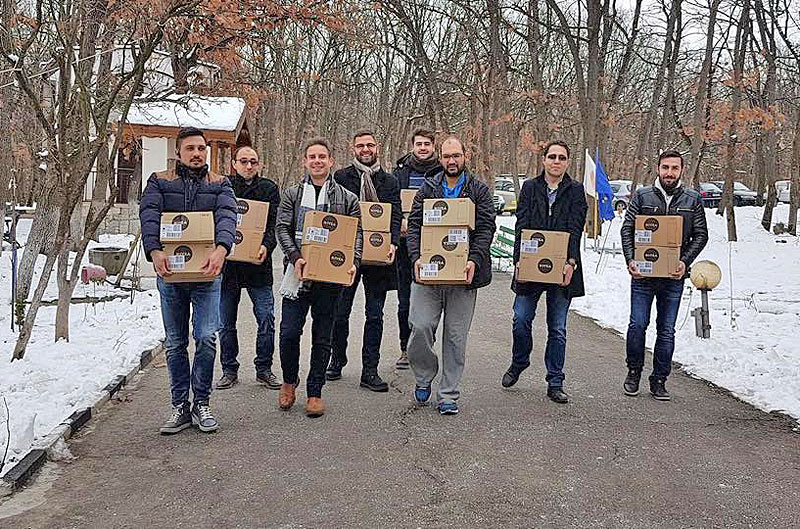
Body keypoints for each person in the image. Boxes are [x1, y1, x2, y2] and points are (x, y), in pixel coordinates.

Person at [140, 127, 237, 434]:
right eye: (190, 148)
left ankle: (202, 403)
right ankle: (180, 406)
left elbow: (227, 217)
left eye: (201, 148)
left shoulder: (220, 183)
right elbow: (149, 215)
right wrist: (154, 251)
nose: (197, 153)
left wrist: (222, 249)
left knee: (207, 337)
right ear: (178, 152)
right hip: (171, 275)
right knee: (175, 343)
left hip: (207, 275)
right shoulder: (159, 181)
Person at [405, 136, 496, 415]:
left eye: (456, 155)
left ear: (465, 156)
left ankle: (448, 394)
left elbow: (486, 228)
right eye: (447, 156)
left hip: (463, 277)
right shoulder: (428, 188)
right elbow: (414, 225)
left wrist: (474, 260)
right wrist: (416, 257)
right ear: (440, 158)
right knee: (420, 326)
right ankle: (423, 377)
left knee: (455, 338)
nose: (451, 161)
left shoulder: (478, 190)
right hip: (429, 274)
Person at [275, 137, 362, 417]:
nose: (317, 161)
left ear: (331, 161)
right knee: (289, 333)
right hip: (297, 274)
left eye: (322, 156)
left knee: (323, 336)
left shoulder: (348, 198)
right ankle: (289, 382)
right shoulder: (292, 194)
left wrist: (353, 262)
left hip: (330, 277)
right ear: (305, 161)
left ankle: (315, 392)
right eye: (312, 157)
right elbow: (282, 228)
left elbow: (356, 235)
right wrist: (295, 257)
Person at [500, 141, 588, 404]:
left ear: (567, 162)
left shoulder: (575, 190)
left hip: (562, 267)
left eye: (561, 157)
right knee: (520, 318)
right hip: (531, 264)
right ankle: (519, 361)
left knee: (557, 328)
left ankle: (555, 381)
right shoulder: (530, 187)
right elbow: (522, 224)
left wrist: (571, 261)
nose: (556, 161)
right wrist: (519, 259)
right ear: (544, 160)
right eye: (552, 157)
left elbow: (575, 228)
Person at [620, 150, 708, 400]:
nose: (670, 172)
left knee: (666, 330)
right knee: (637, 325)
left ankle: (659, 379)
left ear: (681, 170)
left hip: (673, 277)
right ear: (658, 169)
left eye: (674, 168)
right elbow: (627, 229)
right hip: (643, 277)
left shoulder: (692, 199)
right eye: (665, 167)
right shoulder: (642, 196)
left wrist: (684, 261)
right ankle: (634, 372)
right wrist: (631, 260)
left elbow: (701, 235)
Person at [328, 130, 402, 391]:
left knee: (374, 315)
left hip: (377, 256)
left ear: (377, 147)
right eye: (361, 146)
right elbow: (335, 212)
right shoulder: (341, 177)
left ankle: (370, 370)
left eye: (370, 145)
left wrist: (393, 242)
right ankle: (337, 359)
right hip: (347, 253)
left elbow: (395, 215)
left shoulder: (389, 181)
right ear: (354, 149)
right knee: (340, 312)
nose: (366, 149)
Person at [216, 146, 281, 391]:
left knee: (266, 319)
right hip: (228, 267)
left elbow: (274, 224)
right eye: (243, 161)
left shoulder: (269, 189)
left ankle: (264, 369)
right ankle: (229, 370)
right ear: (234, 164)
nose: (249, 166)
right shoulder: (223, 186)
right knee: (226, 322)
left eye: (253, 161)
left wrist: (266, 246)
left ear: (259, 164)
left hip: (258, 266)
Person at [392, 128, 441, 369]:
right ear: (412, 146)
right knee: (405, 301)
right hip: (405, 246)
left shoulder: (442, 171)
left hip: (435, 245)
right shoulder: (400, 172)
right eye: (419, 144)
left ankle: (424, 346)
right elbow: (391, 203)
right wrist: (399, 221)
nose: (423, 148)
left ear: (433, 146)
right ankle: (405, 348)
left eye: (426, 144)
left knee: (431, 300)